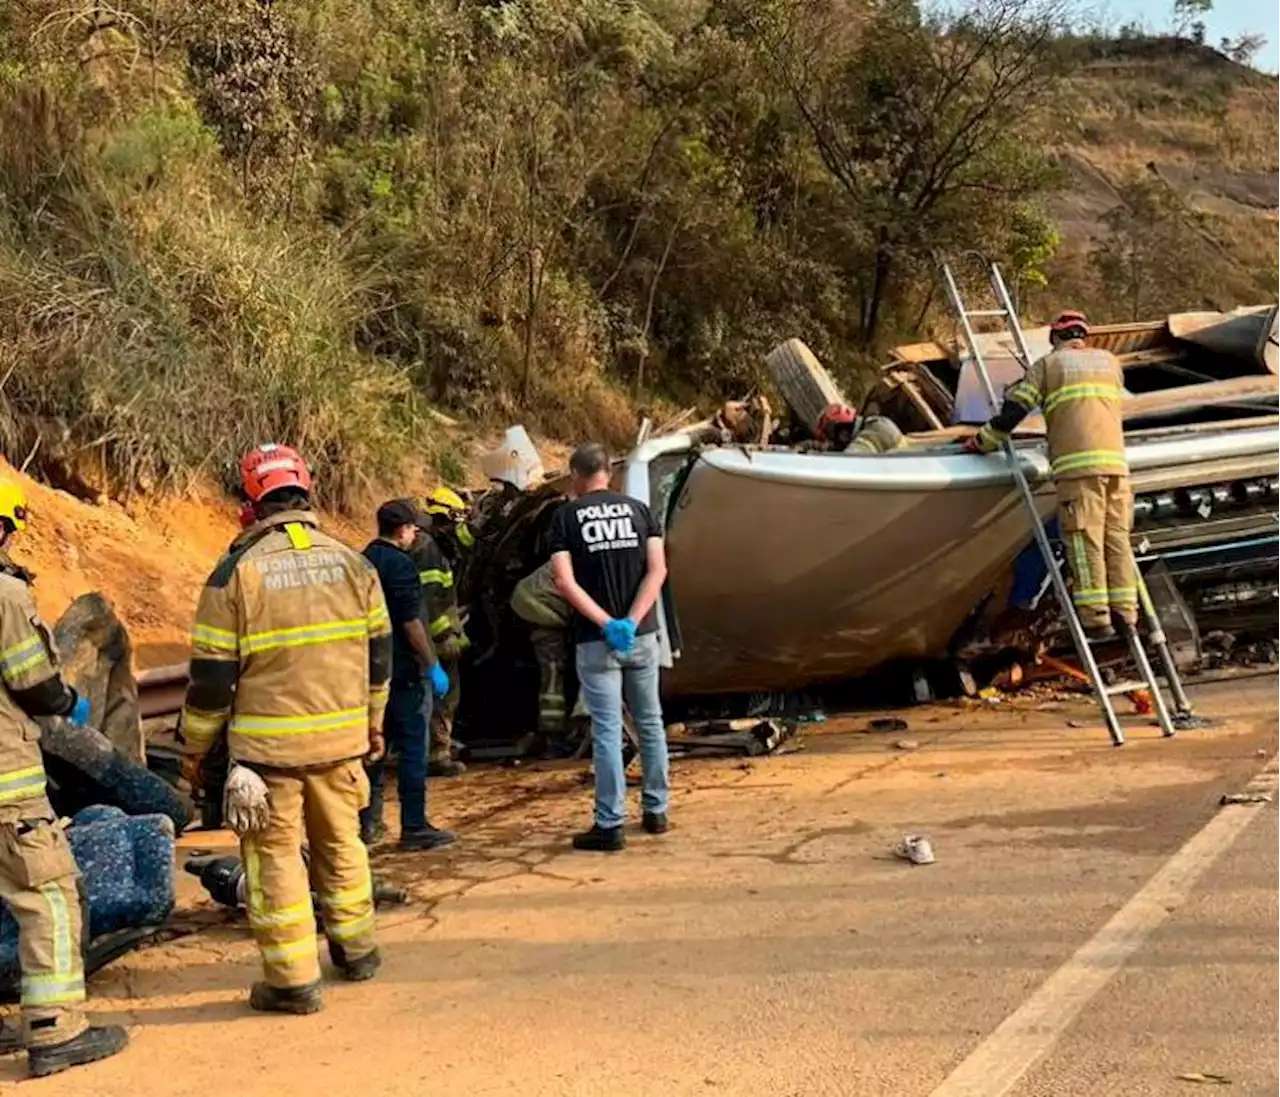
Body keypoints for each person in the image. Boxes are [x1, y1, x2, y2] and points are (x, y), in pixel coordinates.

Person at [180, 444, 390, 1016]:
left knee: (274, 861)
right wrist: (373, 723)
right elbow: (379, 657)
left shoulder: (235, 575)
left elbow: (212, 681)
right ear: (308, 491)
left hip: (268, 754)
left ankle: (293, 981)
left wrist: (195, 748)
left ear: (251, 505)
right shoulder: (355, 564)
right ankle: (358, 950)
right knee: (342, 845)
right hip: (343, 743)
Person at [0, 484, 128, 1077]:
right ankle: (55, 1031)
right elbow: (33, 681)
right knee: (45, 896)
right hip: (5, 783)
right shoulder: (4, 595)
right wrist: (69, 700)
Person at [964, 310, 1135, 640]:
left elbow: (1014, 412)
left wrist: (983, 441)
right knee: (1116, 539)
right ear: (1083, 335)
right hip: (1116, 467)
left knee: (1084, 540)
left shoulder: (1048, 366)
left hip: (1078, 469)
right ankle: (1126, 614)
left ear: (1055, 338)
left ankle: (1095, 617)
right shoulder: (1110, 363)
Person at [548, 443, 670, 852]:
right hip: (643, 634)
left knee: (607, 730)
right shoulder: (639, 511)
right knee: (650, 723)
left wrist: (606, 623)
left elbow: (564, 582)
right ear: (609, 473)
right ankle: (656, 810)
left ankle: (610, 823)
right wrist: (633, 621)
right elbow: (658, 571)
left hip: (596, 641)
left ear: (576, 476)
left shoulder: (566, 517)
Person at [361, 500, 457, 851]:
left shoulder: (362, 560)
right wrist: (432, 664)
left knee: (374, 747)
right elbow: (411, 621)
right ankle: (414, 826)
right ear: (401, 529)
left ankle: (368, 823)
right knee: (414, 749)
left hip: (371, 672)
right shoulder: (402, 565)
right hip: (405, 672)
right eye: (413, 526)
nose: (417, 531)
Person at [407, 513, 467, 778]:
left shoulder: (420, 547)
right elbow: (430, 601)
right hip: (434, 639)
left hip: (424, 636)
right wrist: (444, 637)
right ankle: (437, 755)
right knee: (444, 696)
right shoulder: (426, 549)